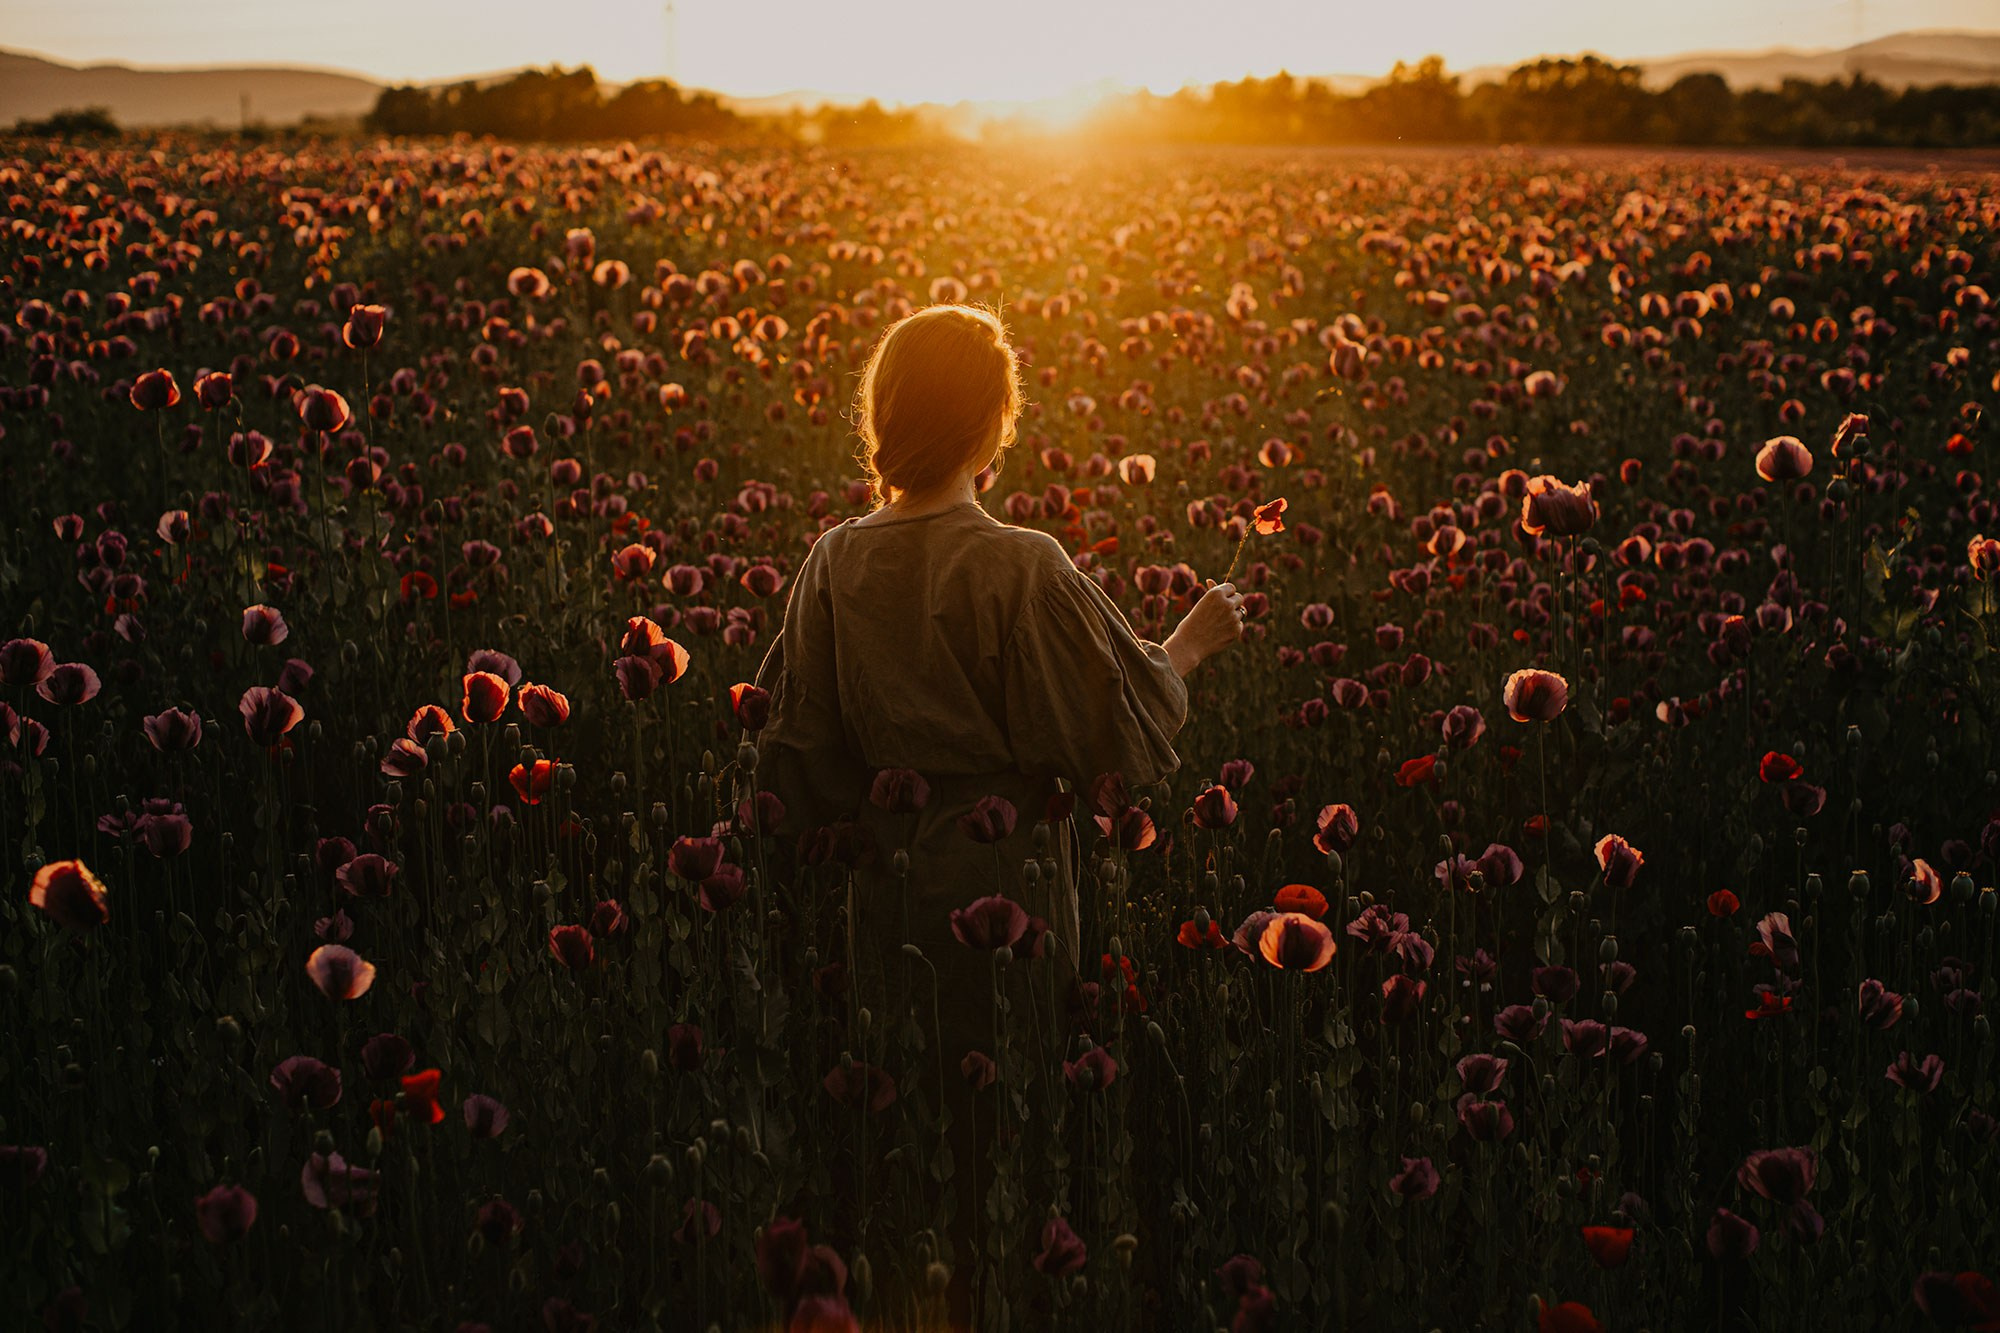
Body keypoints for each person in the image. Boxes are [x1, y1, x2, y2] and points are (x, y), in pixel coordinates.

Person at [751, 303, 1244, 1330]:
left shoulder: (831, 562)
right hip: (1007, 890)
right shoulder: (1022, 564)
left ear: (883, 416)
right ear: (992, 425)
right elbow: (1116, 728)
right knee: (1006, 1127)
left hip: (884, 894)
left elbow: (791, 761)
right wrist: (1188, 644)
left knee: (904, 1127)